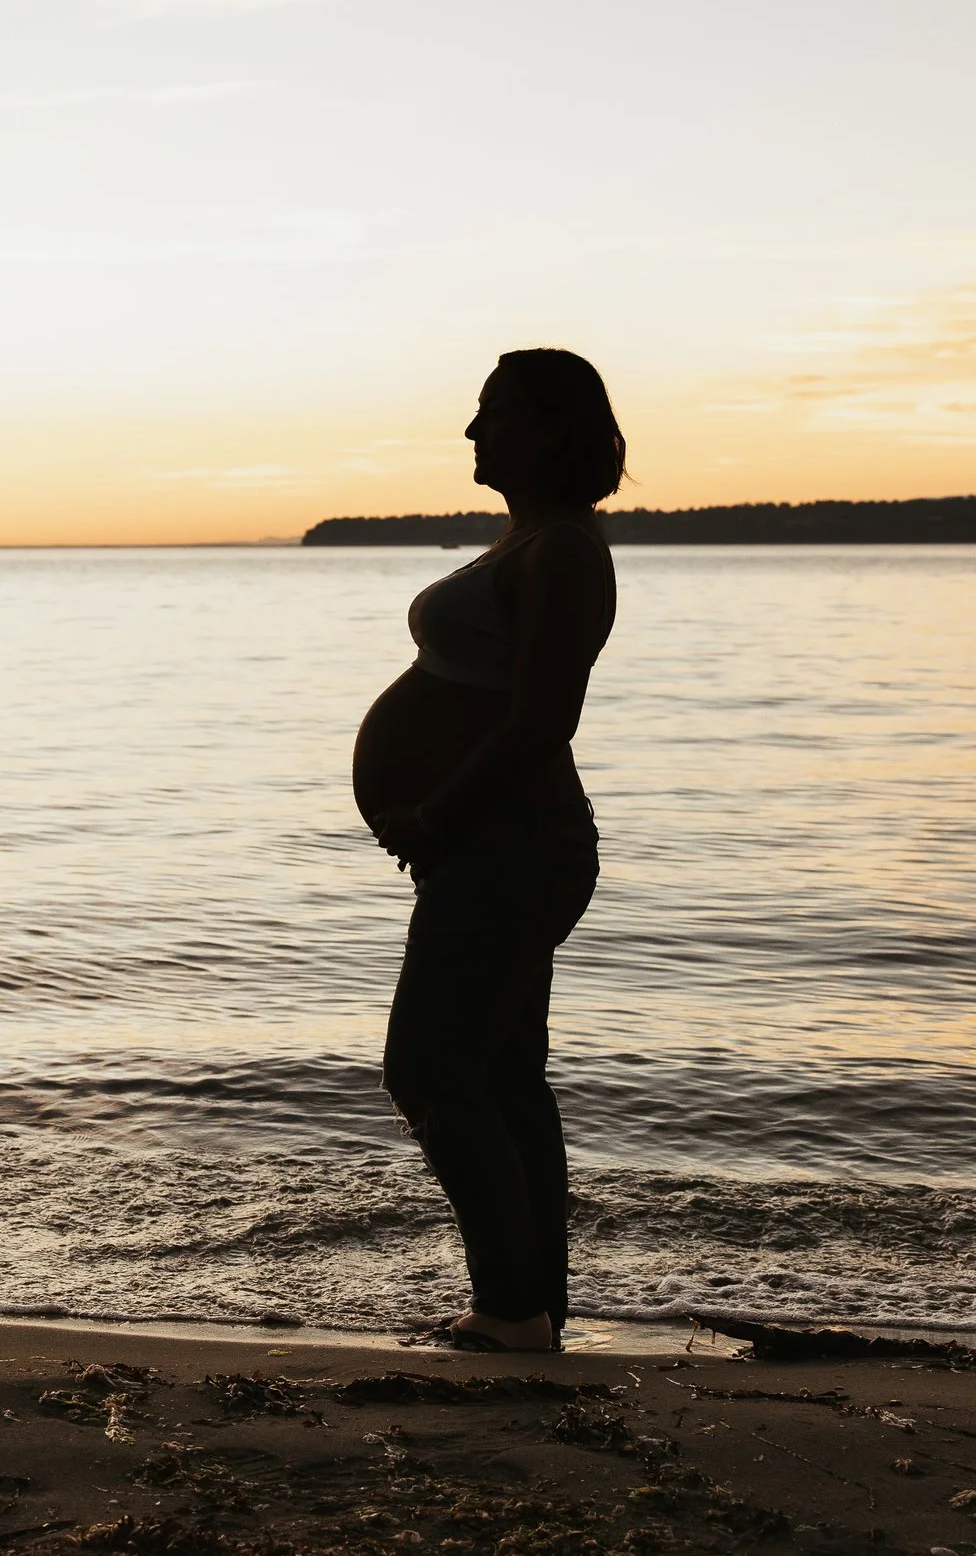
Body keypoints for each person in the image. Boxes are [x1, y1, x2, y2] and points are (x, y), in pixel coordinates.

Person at [353, 347, 624, 1353]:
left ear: (553, 428)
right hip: (497, 839)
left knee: (428, 1069)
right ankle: (532, 1309)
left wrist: (441, 815)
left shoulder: (563, 551)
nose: (472, 432)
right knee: (502, 1077)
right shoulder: (529, 544)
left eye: (492, 413)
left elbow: (543, 717)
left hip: (512, 840)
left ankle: (510, 1308)